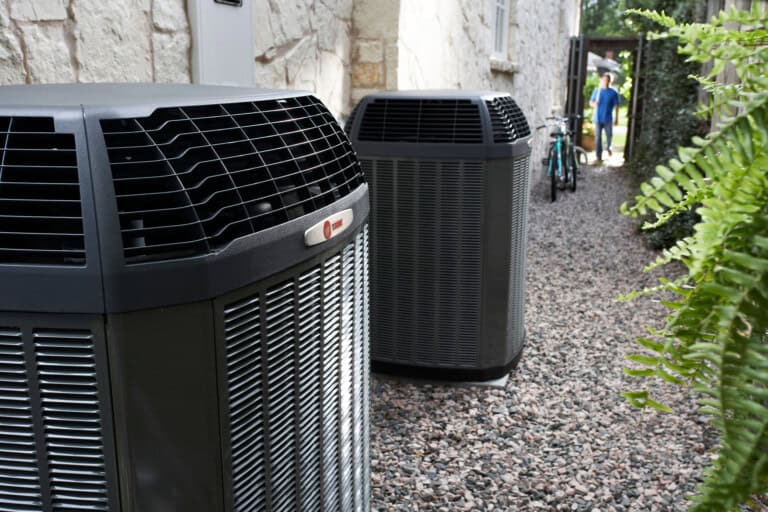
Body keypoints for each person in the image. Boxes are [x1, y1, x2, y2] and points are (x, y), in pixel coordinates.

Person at [589, 73, 620, 163]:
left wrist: (616, 118)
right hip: (598, 119)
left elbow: (616, 106)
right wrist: (595, 103)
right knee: (598, 138)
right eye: (604, 79)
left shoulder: (613, 93)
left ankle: (609, 148)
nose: (605, 81)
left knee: (609, 136)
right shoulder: (597, 91)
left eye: (607, 80)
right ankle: (599, 156)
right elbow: (591, 103)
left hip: (608, 119)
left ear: (610, 81)